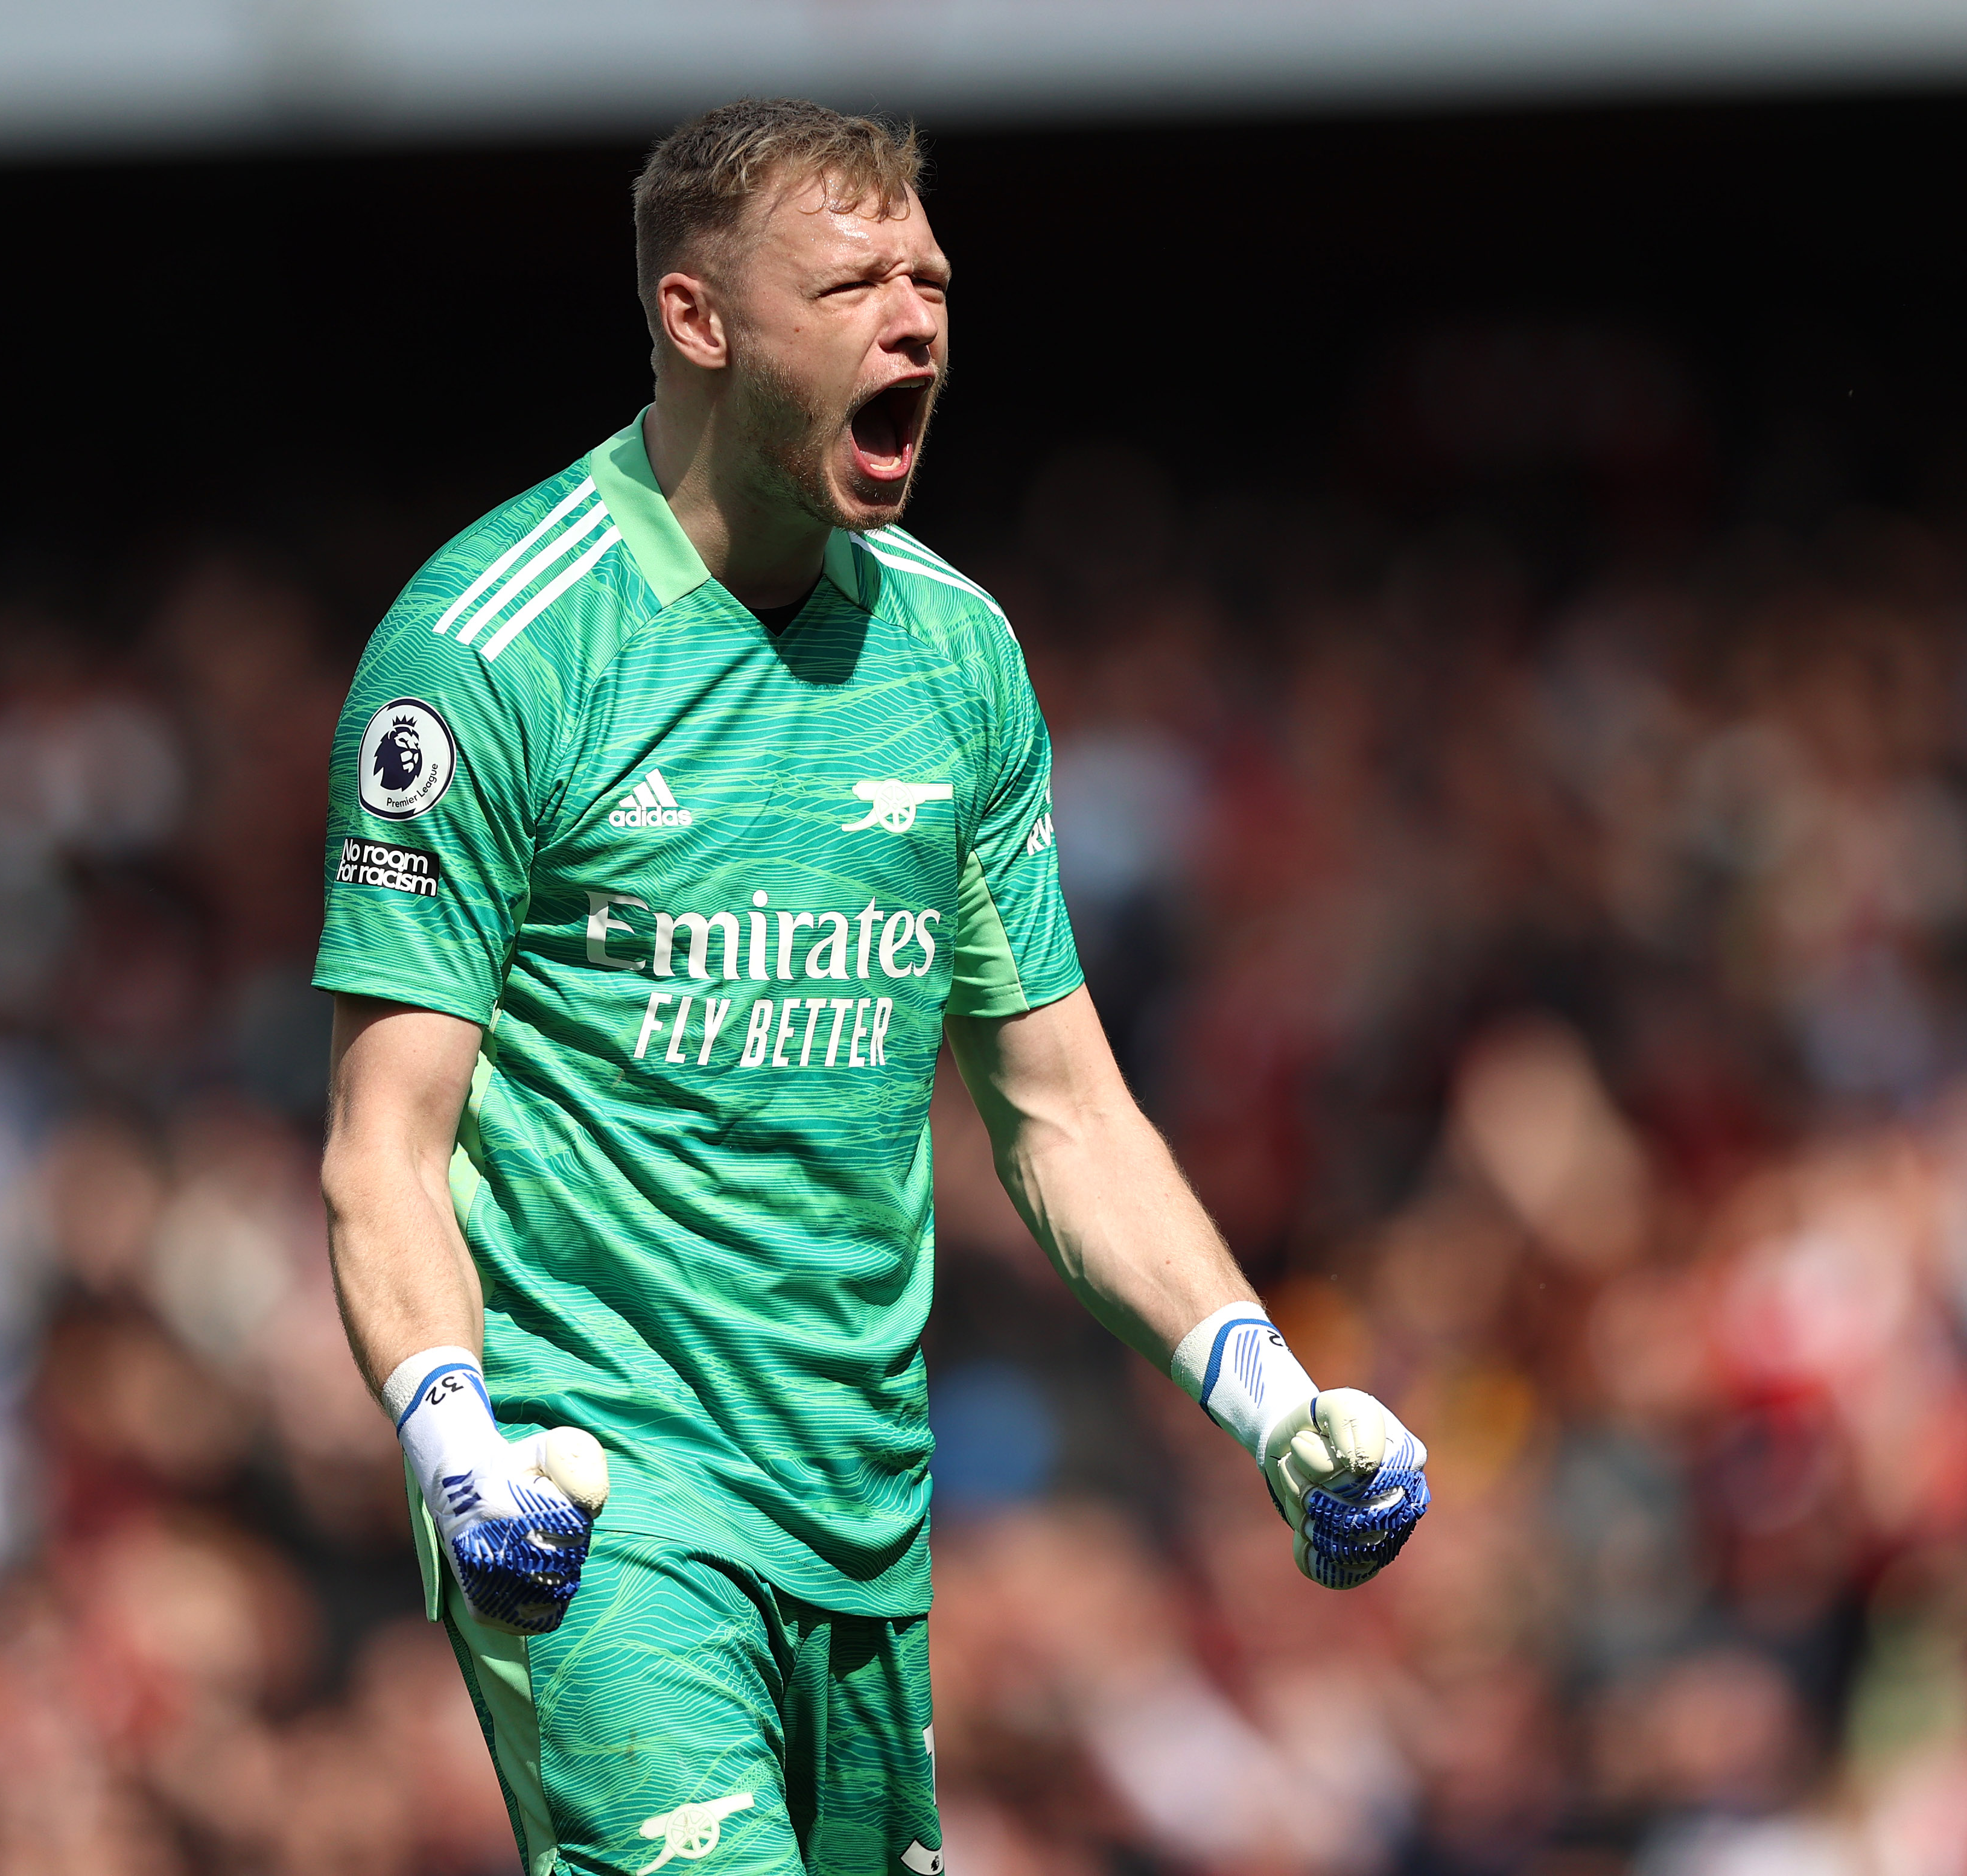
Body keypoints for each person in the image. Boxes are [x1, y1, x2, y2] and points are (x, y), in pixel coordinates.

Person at [316, 98, 1429, 1875]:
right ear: (698, 321)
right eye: (851, 284)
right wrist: (454, 1436)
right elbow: (385, 1141)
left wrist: (1273, 1398)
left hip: (861, 1508)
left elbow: (1061, 1111)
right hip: (601, 1499)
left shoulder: (956, 655)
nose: (915, 318)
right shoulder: (488, 649)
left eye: (931, 278)